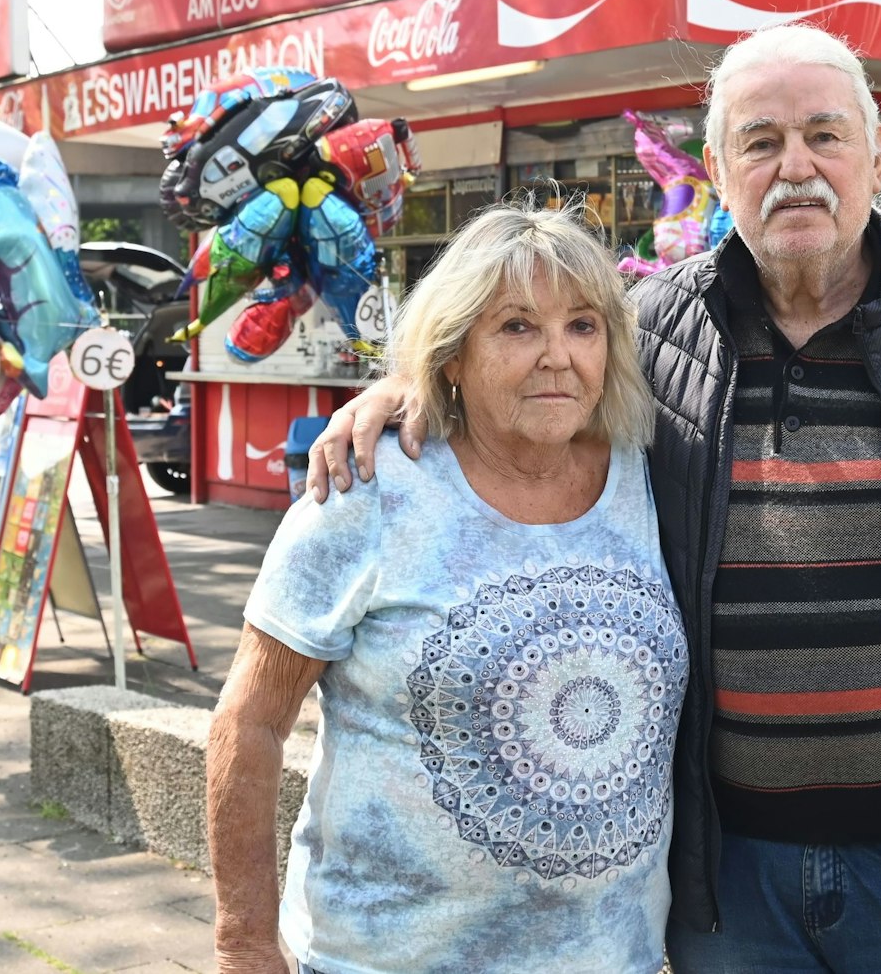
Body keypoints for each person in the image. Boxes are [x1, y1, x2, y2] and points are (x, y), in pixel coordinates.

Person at [305, 23, 881, 974]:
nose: (796, 166)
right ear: (718, 169)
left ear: (877, 153)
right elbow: (529, 386)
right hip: (723, 878)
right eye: (761, 142)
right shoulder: (646, 337)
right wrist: (422, 388)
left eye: (825, 134)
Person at [206, 204, 684, 974]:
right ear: (454, 353)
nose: (557, 356)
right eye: (517, 327)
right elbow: (249, 722)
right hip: (386, 957)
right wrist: (245, 943)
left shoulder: (649, 471)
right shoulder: (369, 488)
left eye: (583, 325)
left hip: (611, 957)